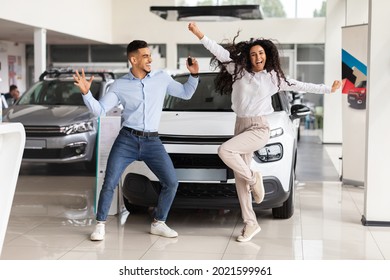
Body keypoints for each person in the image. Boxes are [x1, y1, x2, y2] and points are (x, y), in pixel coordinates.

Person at [188, 22, 341, 242]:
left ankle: (253, 179)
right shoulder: (237, 70)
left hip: (259, 127)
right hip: (240, 125)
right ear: (247, 58)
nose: (257, 57)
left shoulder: (273, 78)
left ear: (267, 56)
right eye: (253, 54)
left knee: (225, 151)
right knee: (239, 178)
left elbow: (302, 85)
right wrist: (198, 34)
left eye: (261, 53)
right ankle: (250, 223)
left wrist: (329, 89)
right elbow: (217, 50)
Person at [73, 40, 199, 241]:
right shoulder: (120, 85)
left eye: (150, 55)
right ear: (133, 59)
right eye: (145, 56)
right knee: (110, 182)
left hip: (152, 142)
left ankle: (159, 222)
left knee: (171, 182)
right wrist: (86, 93)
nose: (150, 59)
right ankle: (100, 225)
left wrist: (193, 75)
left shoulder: (161, 79)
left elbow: (186, 93)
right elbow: (100, 110)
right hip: (127, 140)